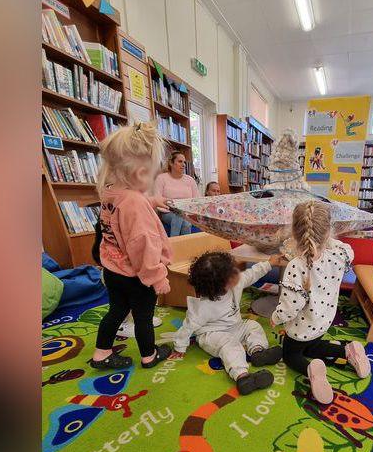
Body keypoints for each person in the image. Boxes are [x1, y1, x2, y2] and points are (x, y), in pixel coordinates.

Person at [90, 123, 175, 370]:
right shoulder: (135, 204)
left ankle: (101, 353)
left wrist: (152, 201)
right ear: (139, 174)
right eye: (152, 173)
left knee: (116, 311)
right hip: (137, 275)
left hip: (113, 270)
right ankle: (149, 355)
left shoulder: (110, 192)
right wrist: (157, 278)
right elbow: (143, 247)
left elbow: (126, 208)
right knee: (143, 317)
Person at [270, 201, 370, 404]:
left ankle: (312, 370)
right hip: (323, 322)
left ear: (295, 233)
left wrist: (275, 317)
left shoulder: (295, 266)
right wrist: (328, 240)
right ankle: (347, 351)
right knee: (313, 347)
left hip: (300, 329)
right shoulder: (340, 256)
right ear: (329, 232)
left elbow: (291, 306)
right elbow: (346, 248)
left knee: (291, 355)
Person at [167, 251, 287, 395]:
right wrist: (179, 347)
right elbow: (187, 327)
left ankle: (258, 352)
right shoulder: (203, 307)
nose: (237, 274)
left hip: (234, 326)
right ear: (223, 285)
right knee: (231, 345)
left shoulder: (234, 282)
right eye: (233, 273)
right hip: (211, 335)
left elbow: (252, 273)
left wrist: (270, 263)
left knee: (253, 326)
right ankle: (243, 377)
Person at [153, 151, 199, 236]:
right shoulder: (161, 178)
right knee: (178, 216)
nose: (184, 164)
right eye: (180, 161)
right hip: (167, 212)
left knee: (186, 223)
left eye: (184, 162)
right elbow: (157, 199)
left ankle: (180, 246)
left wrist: (187, 212)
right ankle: (175, 246)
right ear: (171, 163)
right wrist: (174, 209)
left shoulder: (190, 180)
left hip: (186, 213)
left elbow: (196, 200)